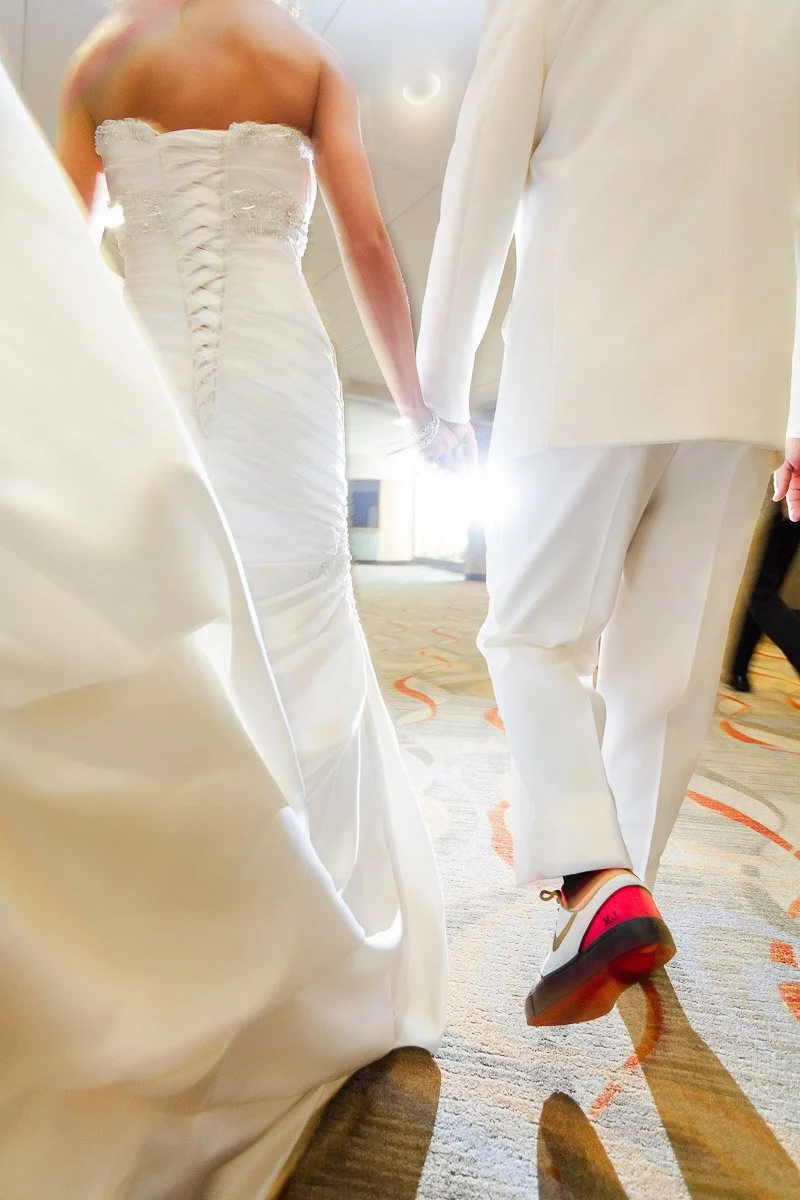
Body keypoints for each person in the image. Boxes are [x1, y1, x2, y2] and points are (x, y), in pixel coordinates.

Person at [0, 24, 446, 1200]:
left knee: (173, 621)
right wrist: (422, 408)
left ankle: (170, 919)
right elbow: (359, 237)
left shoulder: (102, 60)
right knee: (297, 617)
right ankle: (301, 930)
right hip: (277, 370)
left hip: (140, 363)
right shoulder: (301, 57)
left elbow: (42, 262)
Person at [418, 0, 800, 1028]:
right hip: (743, 383)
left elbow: (481, 175)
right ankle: (618, 904)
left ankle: (594, 884)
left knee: (533, 636)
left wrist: (440, 379)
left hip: (585, 354)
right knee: (665, 682)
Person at [729, 499, 800, 691]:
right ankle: (738, 669)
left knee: (761, 594)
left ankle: (738, 669)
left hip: (786, 491)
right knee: (764, 589)